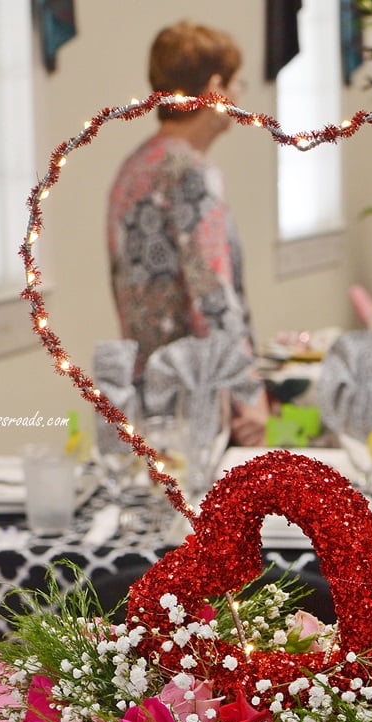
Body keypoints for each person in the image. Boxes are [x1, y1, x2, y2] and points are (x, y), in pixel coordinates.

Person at [106, 20, 269, 446]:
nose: (238, 97)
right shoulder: (192, 172)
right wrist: (248, 390)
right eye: (236, 84)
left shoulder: (135, 167)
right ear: (215, 86)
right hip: (196, 397)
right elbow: (212, 294)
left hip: (145, 389)